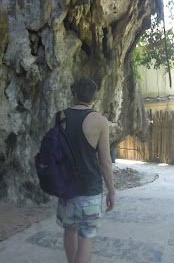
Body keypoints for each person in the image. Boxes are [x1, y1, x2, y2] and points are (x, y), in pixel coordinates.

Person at [54, 78, 115, 263]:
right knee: (86, 239)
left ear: (75, 95)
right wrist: (111, 190)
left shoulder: (59, 118)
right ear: (94, 98)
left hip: (66, 189)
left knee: (69, 230)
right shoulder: (100, 121)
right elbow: (105, 161)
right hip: (90, 190)